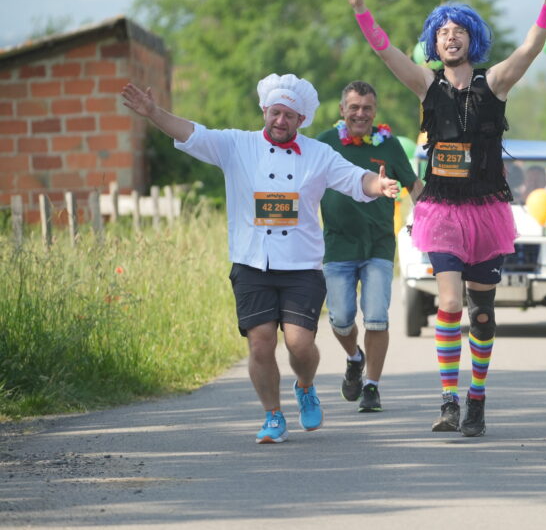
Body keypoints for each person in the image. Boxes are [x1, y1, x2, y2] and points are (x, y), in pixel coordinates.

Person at [343, 0, 546, 436]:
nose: (450, 37)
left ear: (471, 38)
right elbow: (385, 53)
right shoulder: (427, 84)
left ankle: (476, 396)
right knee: (448, 303)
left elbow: (530, 48)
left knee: (480, 314)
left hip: (486, 211)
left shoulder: (494, 82)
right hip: (441, 211)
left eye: (459, 30)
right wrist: (361, 10)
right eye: (442, 32)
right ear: (434, 43)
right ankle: (448, 400)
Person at [120, 74, 399, 444]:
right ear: (265, 110)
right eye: (275, 113)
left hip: (301, 265)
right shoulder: (236, 144)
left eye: (289, 116)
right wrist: (154, 112)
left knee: (299, 344)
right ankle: (273, 415)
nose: (280, 121)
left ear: (301, 120)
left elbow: (354, 178)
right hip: (252, 263)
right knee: (261, 343)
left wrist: (378, 185)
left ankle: (305, 385)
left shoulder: (318, 153)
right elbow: (192, 134)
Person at [316, 80, 423, 413]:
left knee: (376, 318)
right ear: (342, 110)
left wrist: (430, 218)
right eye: (354, 107)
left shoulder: (389, 145)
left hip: (378, 246)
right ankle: (354, 358)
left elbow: (413, 185)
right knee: (340, 320)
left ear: (375, 112)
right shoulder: (324, 143)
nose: (360, 114)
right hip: (337, 246)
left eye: (367, 108)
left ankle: (372, 386)